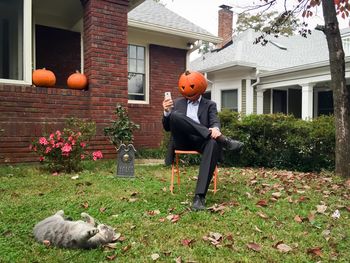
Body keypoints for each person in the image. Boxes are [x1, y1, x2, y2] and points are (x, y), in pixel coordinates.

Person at [162, 75, 243, 211]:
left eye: (192, 86)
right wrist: (166, 112)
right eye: (184, 87)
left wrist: (216, 130)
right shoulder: (176, 103)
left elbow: (214, 121)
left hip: (201, 141)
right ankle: (224, 141)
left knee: (212, 144)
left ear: (201, 88)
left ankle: (199, 198)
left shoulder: (210, 104)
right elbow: (167, 127)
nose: (188, 90)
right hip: (182, 140)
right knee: (175, 115)